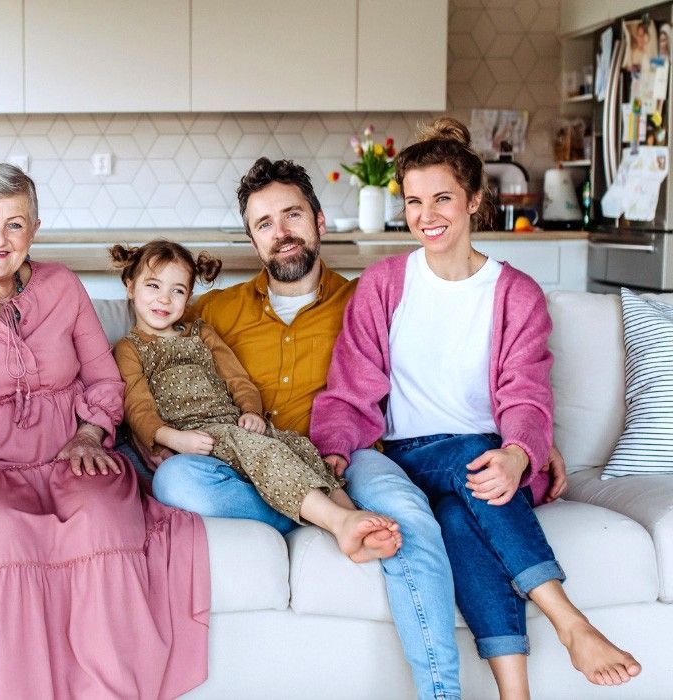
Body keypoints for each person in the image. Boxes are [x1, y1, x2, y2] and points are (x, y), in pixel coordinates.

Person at [312, 117, 641, 697]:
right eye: (413, 201)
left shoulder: (515, 292)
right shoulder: (386, 284)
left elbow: (527, 392)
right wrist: (334, 453)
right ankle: (572, 623)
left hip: (494, 468)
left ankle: (515, 694)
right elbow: (350, 387)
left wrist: (520, 454)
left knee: (465, 517)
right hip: (411, 458)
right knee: (474, 456)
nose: (426, 215)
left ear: (474, 201)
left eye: (441, 198)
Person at [148, 157, 486, 700]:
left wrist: (525, 443)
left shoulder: (369, 300)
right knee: (175, 482)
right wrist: (151, 437)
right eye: (264, 224)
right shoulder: (211, 312)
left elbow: (452, 369)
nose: (281, 233)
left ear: (320, 221)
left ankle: (443, 695)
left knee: (411, 522)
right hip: (251, 464)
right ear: (252, 239)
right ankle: (327, 517)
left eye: (292, 215)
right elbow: (150, 363)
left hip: (350, 460)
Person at [0, 163, 209, 699]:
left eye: (15, 225)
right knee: (2, 539)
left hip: (72, 457)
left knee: (103, 521)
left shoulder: (63, 285)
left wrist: (90, 434)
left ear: (34, 230)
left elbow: (103, 378)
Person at [110, 240, 401, 562]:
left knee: (297, 449)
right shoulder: (129, 348)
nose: (164, 299)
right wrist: (170, 437)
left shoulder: (201, 333)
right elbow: (137, 405)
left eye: (178, 290)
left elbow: (237, 378)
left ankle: (352, 522)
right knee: (242, 461)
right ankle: (335, 521)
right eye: (153, 286)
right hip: (194, 435)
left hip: (232, 424)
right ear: (130, 286)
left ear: (189, 295)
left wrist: (251, 412)